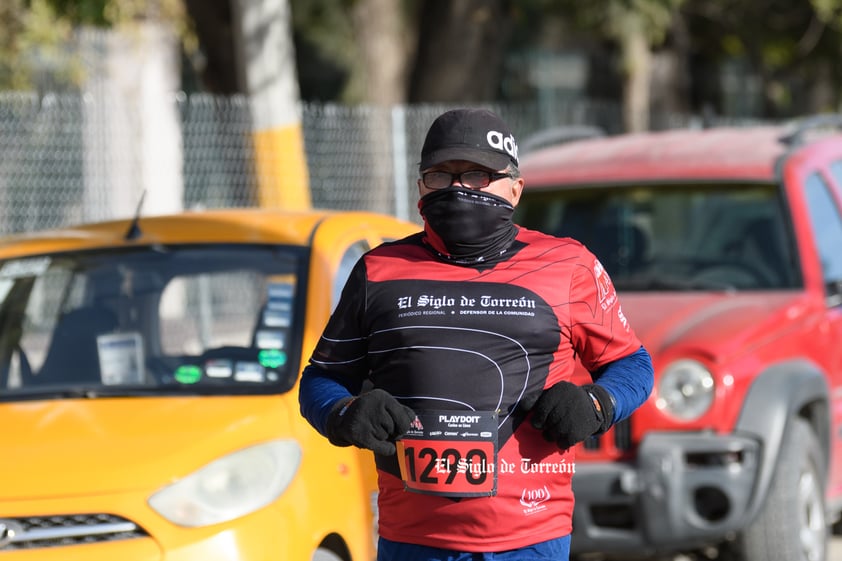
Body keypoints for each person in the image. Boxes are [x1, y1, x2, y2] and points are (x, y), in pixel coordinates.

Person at [299, 108, 654, 561]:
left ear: (515, 188)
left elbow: (632, 364)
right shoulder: (378, 270)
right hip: (414, 542)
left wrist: (596, 404)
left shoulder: (569, 265)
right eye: (439, 175)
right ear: (420, 187)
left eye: (477, 175)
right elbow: (320, 378)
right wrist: (344, 411)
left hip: (531, 538)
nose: (457, 188)